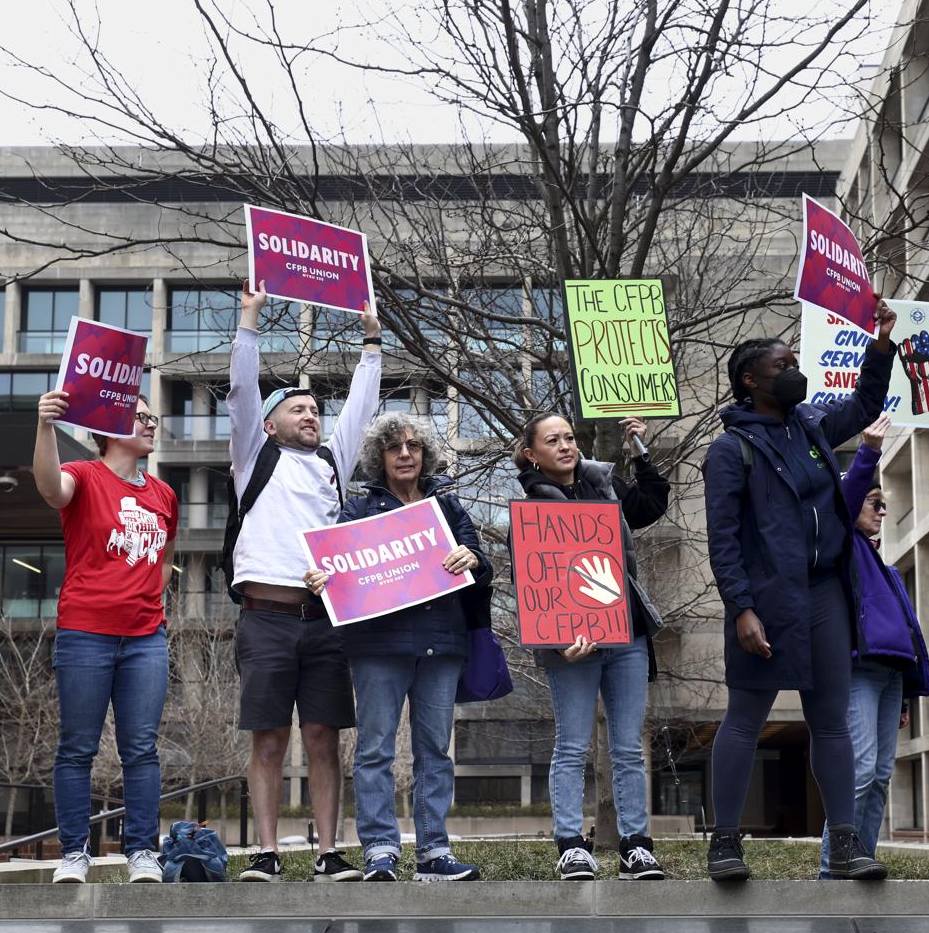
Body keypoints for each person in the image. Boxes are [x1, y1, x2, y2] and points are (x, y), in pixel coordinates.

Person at [703, 299, 898, 882]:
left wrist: (881, 344)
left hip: (823, 596)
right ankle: (725, 845)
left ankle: (847, 845)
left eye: (796, 364)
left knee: (831, 720)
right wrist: (741, 607)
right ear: (750, 380)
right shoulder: (730, 450)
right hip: (765, 600)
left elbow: (865, 404)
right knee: (745, 719)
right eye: (782, 366)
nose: (796, 374)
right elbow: (723, 540)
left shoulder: (811, 425)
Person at [226, 288, 383, 883]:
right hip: (265, 616)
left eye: (316, 409)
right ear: (269, 424)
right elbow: (241, 391)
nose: (312, 415)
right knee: (267, 739)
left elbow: (362, 411)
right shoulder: (252, 456)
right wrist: (249, 320)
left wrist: (371, 339)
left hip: (324, 620)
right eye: (297, 408)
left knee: (323, 737)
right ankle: (266, 853)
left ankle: (327, 852)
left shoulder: (330, 464)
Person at [306, 413, 489, 883]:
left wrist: (474, 557)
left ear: (425, 453)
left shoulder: (446, 506)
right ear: (379, 458)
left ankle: (434, 853)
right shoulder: (360, 508)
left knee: (435, 750)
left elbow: (481, 563)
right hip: (377, 646)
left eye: (413, 446)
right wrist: (322, 580)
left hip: (440, 642)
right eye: (394, 448)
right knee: (375, 751)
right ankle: (381, 850)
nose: (405, 454)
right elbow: (337, 568)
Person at [516, 413, 671, 881]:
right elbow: (532, 582)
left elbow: (652, 504)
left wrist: (638, 449)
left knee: (627, 749)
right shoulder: (528, 511)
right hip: (571, 647)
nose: (565, 445)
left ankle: (636, 847)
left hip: (625, 635)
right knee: (571, 746)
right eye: (552, 440)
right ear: (532, 455)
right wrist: (558, 641)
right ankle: (570, 846)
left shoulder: (608, 484)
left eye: (568, 437)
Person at [31, 390, 177, 886]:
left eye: (152, 417)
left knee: (141, 748)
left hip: (145, 640)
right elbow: (50, 489)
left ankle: (142, 853)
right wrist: (46, 426)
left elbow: (163, 560)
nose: (152, 424)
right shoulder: (85, 476)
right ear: (107, 430)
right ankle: (74, 852)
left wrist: (152, 612)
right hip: (85, 635)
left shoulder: (163, 494)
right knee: (78, 747)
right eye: (140, 418)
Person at [816, 414, 929, 878]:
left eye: (885, 505)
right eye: (874, 502)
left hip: (889, 674)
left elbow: (902, 632)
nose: (881, 511)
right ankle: (832, 864)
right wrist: (867, 452)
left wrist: (904, 690)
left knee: (881, 773)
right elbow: (843, 500)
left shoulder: (883, 566)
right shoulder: (842, 544)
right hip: (858, 671)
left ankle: (861, 855)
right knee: (860, 767)